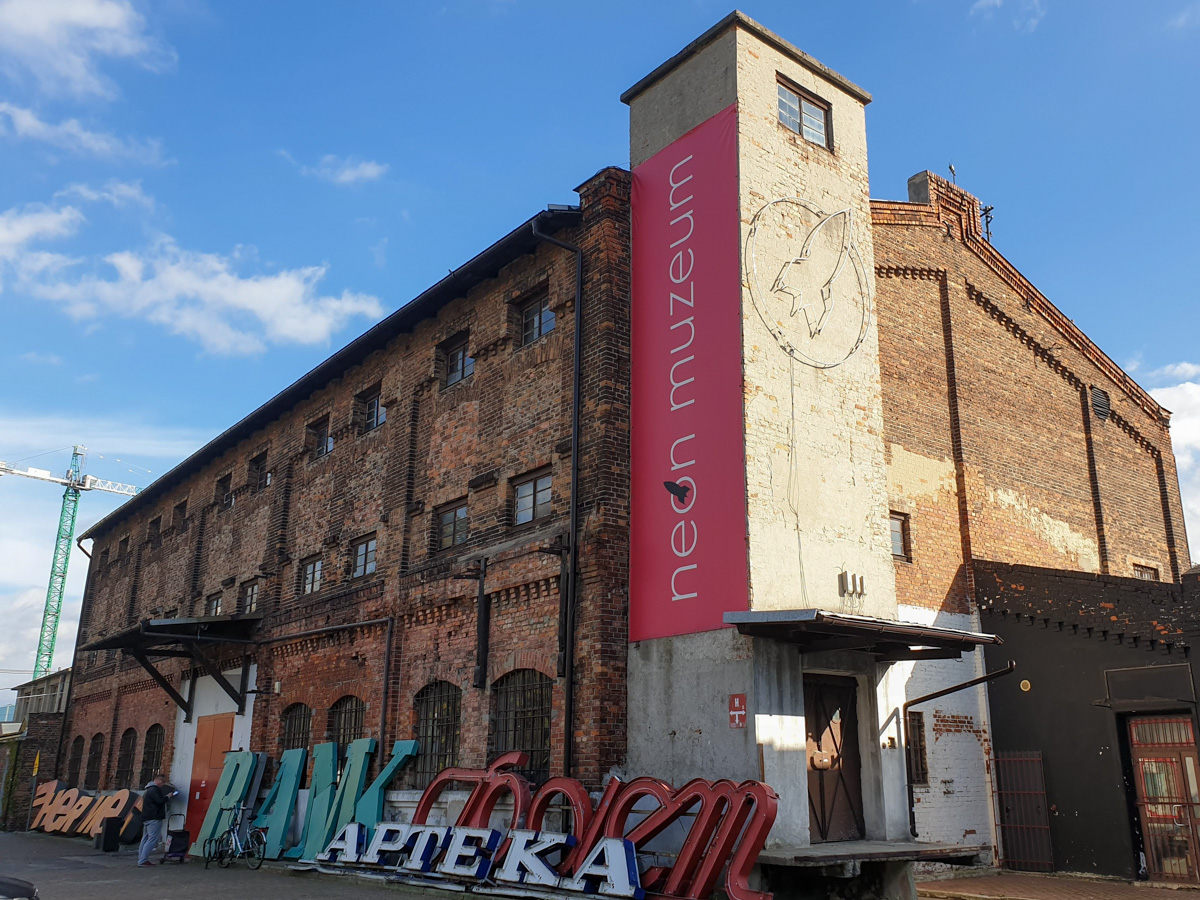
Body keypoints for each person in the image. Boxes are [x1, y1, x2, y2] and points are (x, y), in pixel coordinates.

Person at [138, 773, 176, 867]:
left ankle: (141, 858)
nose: (163, 784)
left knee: (145, 838)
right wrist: (168, 796)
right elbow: (159, 801)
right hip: (154, 817)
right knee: (152, 839)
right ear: (158, 781)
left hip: (147, 817)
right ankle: (143, 860)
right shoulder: (154, 790)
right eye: (162, 782)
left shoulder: (148, 789)